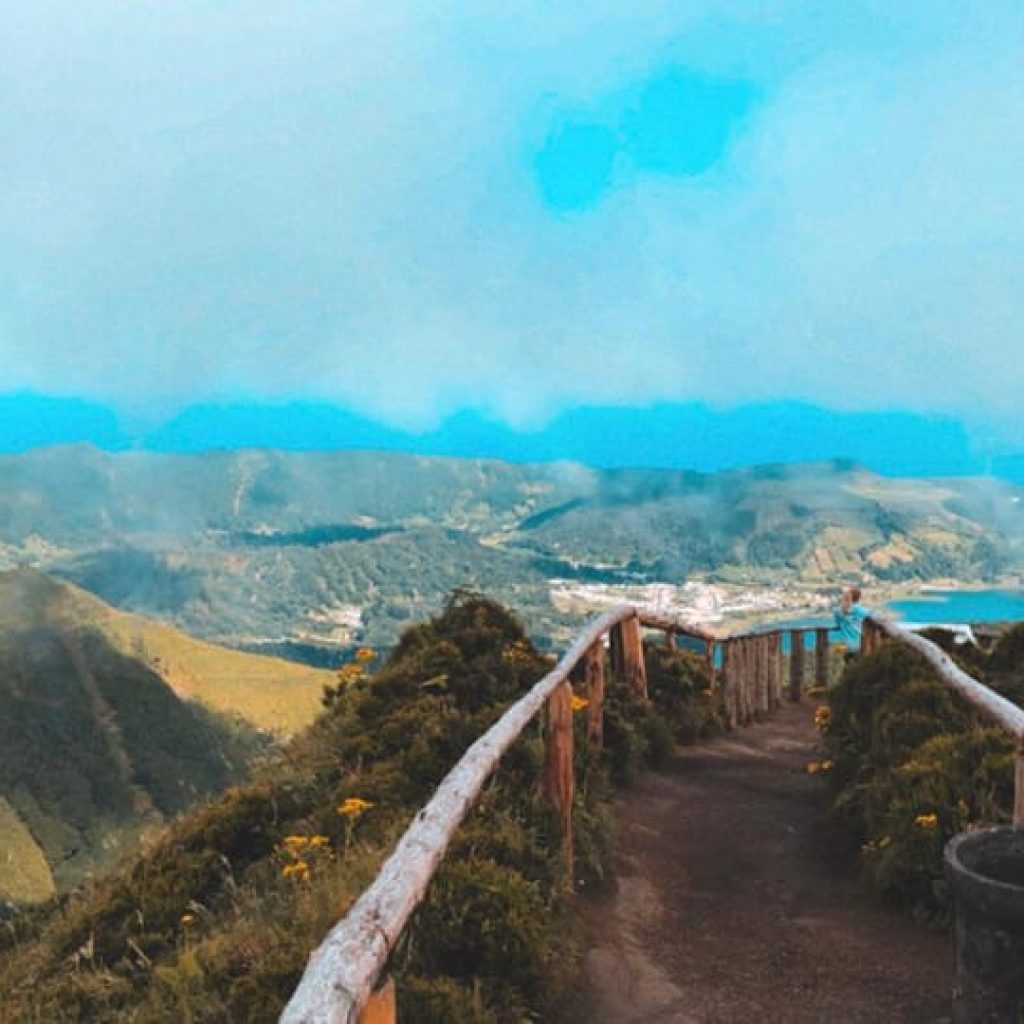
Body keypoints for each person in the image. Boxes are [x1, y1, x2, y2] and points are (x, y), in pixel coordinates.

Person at [834, 586, 869, 653]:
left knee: (836, 650)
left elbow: (838, 623)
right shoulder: (864, 611)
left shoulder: (838, 612)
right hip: (862, 646)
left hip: (847, 647)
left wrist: (845, 602)